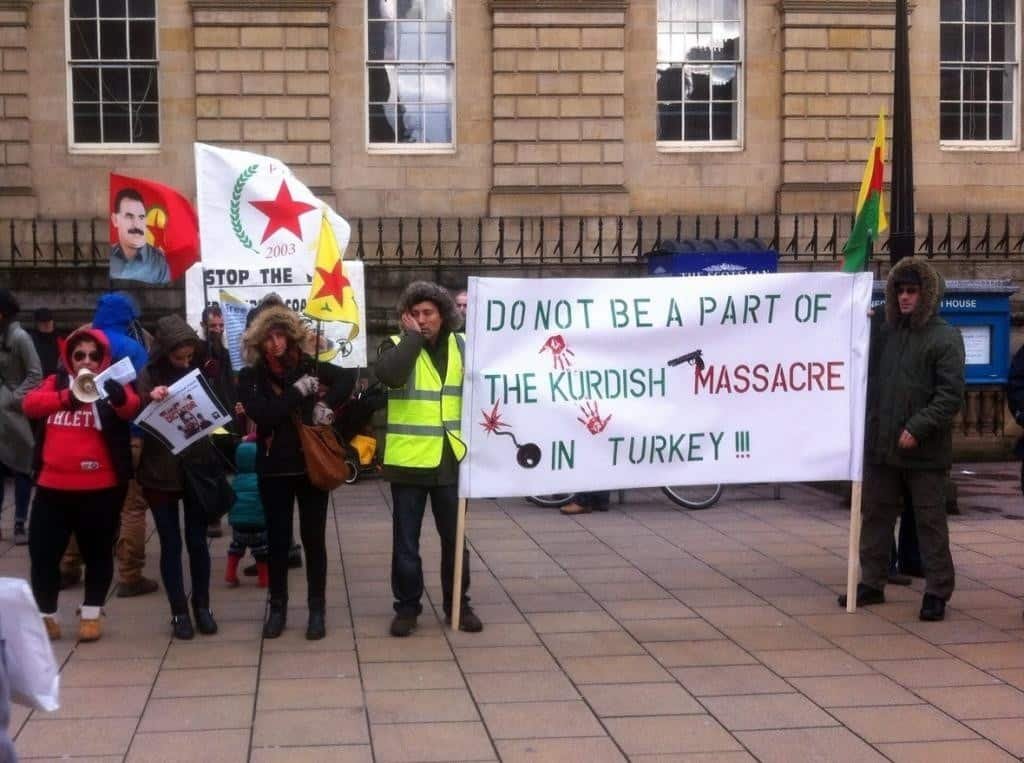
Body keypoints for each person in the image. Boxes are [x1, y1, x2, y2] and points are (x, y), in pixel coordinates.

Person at [840, 257, 965, 622]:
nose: (905, 297)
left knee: (929, 521)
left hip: (924, 451)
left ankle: (938, 590)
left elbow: (950, 395)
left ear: (925, 294)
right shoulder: (885, 330)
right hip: (882, 444)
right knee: (875, 515)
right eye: (900, 290)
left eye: (912, 291)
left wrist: (918, 427)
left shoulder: (944, 337)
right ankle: (872, 581)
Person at [238, 305, 355, 640]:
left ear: (291, 336)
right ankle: (277, 607)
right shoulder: (251, 378)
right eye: (268, 337)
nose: (275, 343)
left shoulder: (308, 365)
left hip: (309, 466)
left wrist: (325, 403)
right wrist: (297, 393)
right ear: (257, 342)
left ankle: (316, 609)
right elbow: (265, 415)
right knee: (276, 541)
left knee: (314, 538)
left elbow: (348, 377)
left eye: (281, 335)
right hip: (273, 469)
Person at [376, 281, 483, 637]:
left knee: (456, 539)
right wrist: (411, 339)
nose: (423, 320)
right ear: (406, 317)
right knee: (406, 541)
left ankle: (459, 603)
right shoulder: (394, 345)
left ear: (444, 315)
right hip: (409, 462)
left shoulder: (465, 346)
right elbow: (390, 376)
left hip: (452, 460)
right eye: (416, 314)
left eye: (429, 314)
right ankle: (407, 607)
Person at [22, 327, 140, 641]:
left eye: (93, 355)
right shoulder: (57, 382)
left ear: (103, 359)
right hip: (52, 487)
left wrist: (115, 397)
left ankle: (91, 613)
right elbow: (30, 405)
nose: (86, 361)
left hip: (99, 489)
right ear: (69, 358)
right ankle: (47, 615)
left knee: (98, 553)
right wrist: (67, 399)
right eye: (79, 355)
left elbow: (131, 407)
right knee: (43, 554)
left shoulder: (111, 383)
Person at [60, 292, 159, 598]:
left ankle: (68, 565)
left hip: (86, 434)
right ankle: (130, 575)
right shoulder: (133, 346)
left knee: (81, 503)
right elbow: (144, 390)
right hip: (130, 434)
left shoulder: (81, 343)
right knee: (132, 506)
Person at [136, 315, 218, 639]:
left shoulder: (199, 369)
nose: (184, 362)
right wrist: (149, 399)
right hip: (159, 470)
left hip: (195, 467)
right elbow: (137, 414)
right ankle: (178, 612)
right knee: (171, 543)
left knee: (198, 542)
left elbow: (215, 403)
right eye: (178, 357)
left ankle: (202, 606)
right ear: (164, 352)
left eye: (188, 356)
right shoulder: (148, 374)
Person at [0, 289, 41, 546]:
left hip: (13, 413)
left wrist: (15, 398)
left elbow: (35, 373)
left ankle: (19, 523)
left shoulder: (20, 337)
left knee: (22, 466)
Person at [200, 304, 237, 539]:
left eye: (221, 325)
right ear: (204, 326)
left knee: (224, 465)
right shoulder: (200, 352)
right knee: (209, 467)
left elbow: (228, 384)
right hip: (205, 416)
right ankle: (211, 516)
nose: (218, 329)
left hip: (224, 415)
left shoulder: (223, 353)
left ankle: (226, 510)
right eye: (213, 325)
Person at [225, 437, 268, 588]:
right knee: (262, 551)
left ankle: (230, 574)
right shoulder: (262, 480)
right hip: (258, 522)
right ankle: (264, 579)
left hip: (238, 523)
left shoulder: (236, 480)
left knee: (236, 547)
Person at [109, 187, 171, 285]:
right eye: (129, 216)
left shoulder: (159, 263)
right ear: (115, 220)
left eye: (141, 217)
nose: (137, 225)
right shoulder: (109, 257)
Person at [27, 307, 61, 377]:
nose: (47, 324)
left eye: (49, 321)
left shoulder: (60, 339)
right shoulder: (30, 341)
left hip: (56, 379)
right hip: (37, 379)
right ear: (37, 324)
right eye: (43, 322)